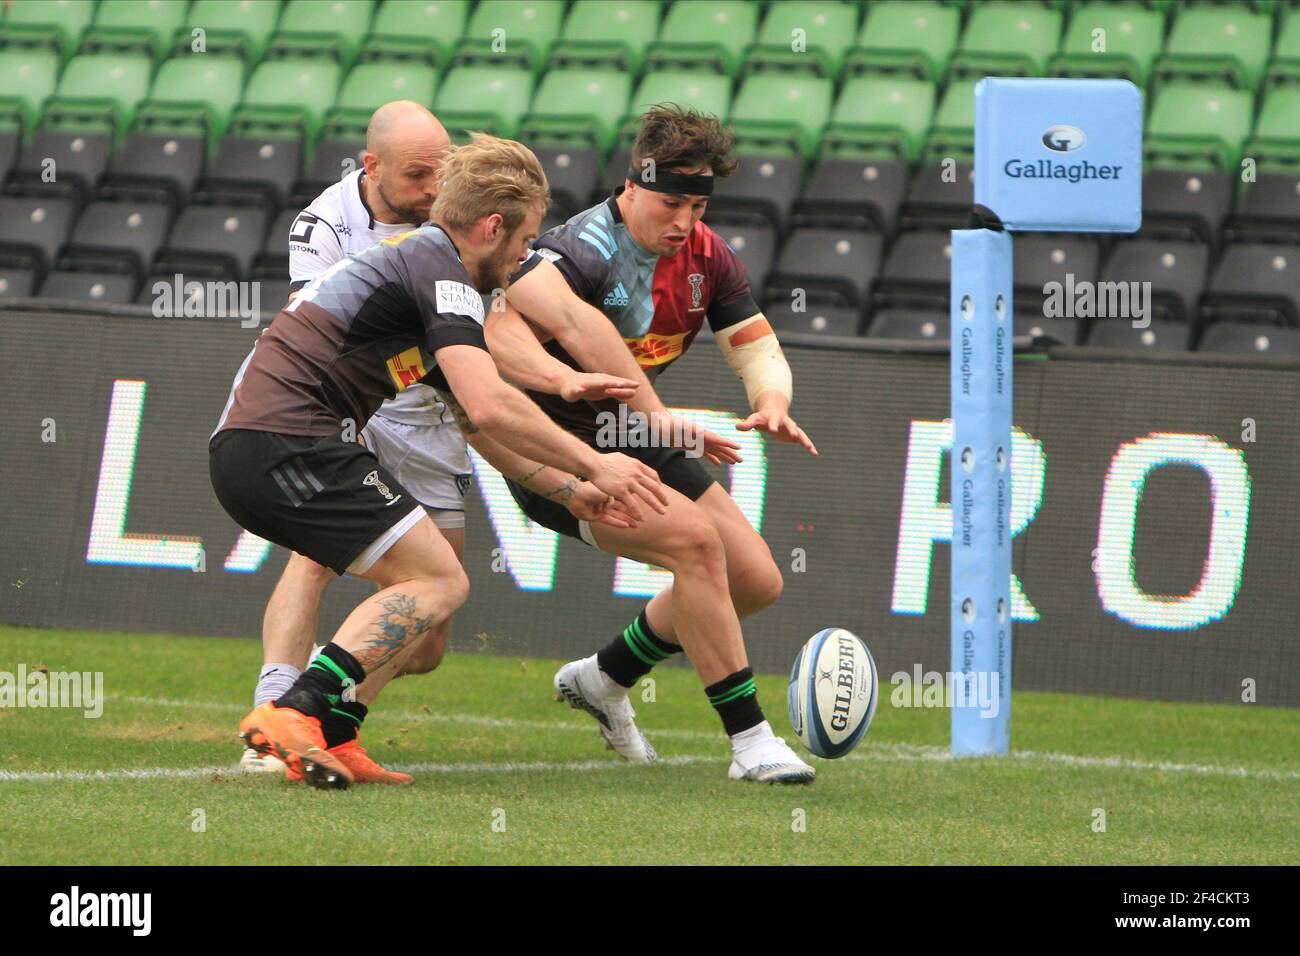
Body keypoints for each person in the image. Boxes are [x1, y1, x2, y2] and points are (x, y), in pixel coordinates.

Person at [211, 134, 668, 789]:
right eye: (523, 239)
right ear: (489, 227)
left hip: (265, 446)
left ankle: (334, 736)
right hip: (288, 443)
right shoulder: (438, 267)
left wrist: (568, 488)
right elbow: (490, 406)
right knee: (441, 581)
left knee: (428, 606)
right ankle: (297, 710)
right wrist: (598, 467)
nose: (526, 255)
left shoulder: (422, 271)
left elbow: (475, 416)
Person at [483, 105, 821, 783]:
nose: (685, 222)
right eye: (672, 202)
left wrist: (772, 401)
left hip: (640, 431)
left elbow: (756, 348)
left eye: (698, 205)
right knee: (696, 545)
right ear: (632, 185)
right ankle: (750, 741)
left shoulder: (707, 256)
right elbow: (499, 331)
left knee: (755, 580)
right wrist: (571, 386)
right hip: (560, 450)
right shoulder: (575, 252)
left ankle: (603, 679)